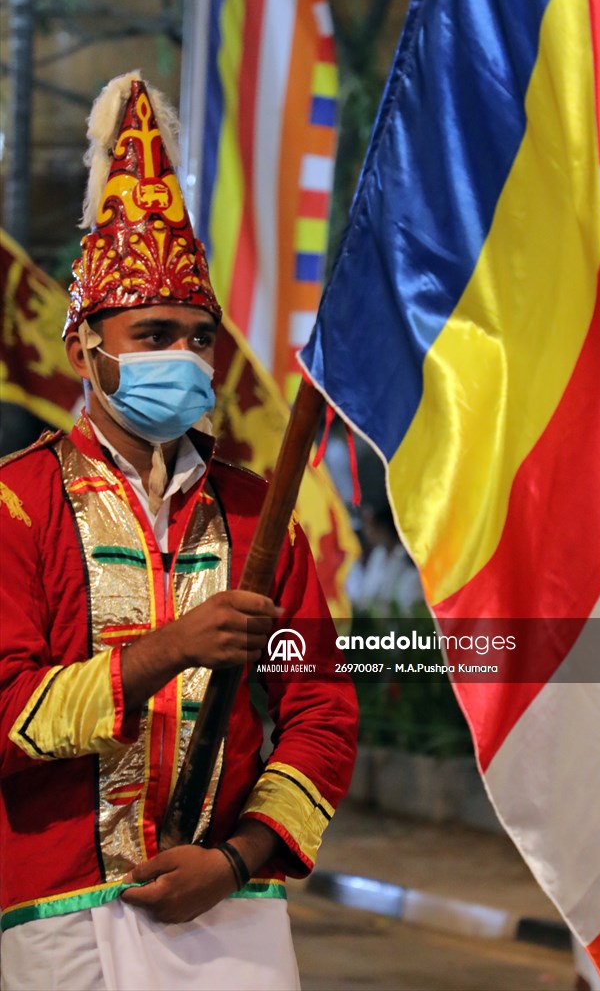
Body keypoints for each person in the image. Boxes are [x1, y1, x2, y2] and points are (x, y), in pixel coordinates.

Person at [0, 73, 358, 991]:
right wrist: (166, 651)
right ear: (88, 348)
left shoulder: (257, 510)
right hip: (56, 913)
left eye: (200, 337)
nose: (186, 358)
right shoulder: (18, 502)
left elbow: (321, 711)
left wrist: (237, 860)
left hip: (232, 916)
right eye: (154, 332)